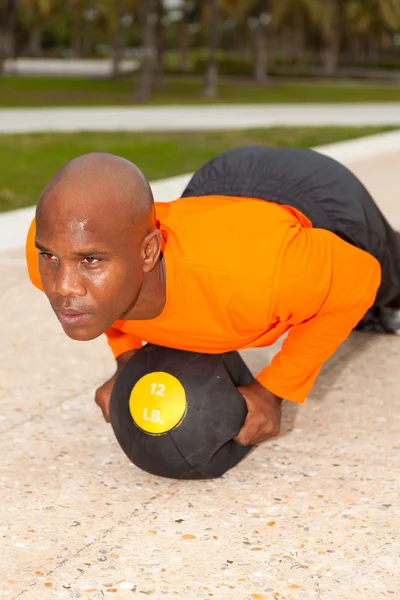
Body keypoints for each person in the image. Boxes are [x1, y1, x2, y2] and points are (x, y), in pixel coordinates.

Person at [25, 146, 400, 447]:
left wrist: (273, 390)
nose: (64, 287)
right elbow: (88, 278)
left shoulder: (262, 275)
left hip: (314, 193)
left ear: (147, 252)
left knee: (387, 285)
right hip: (221, 184)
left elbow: (362, 277)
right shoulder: (50, 247)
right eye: (51, 258)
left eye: (90, 260)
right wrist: (127, 358)